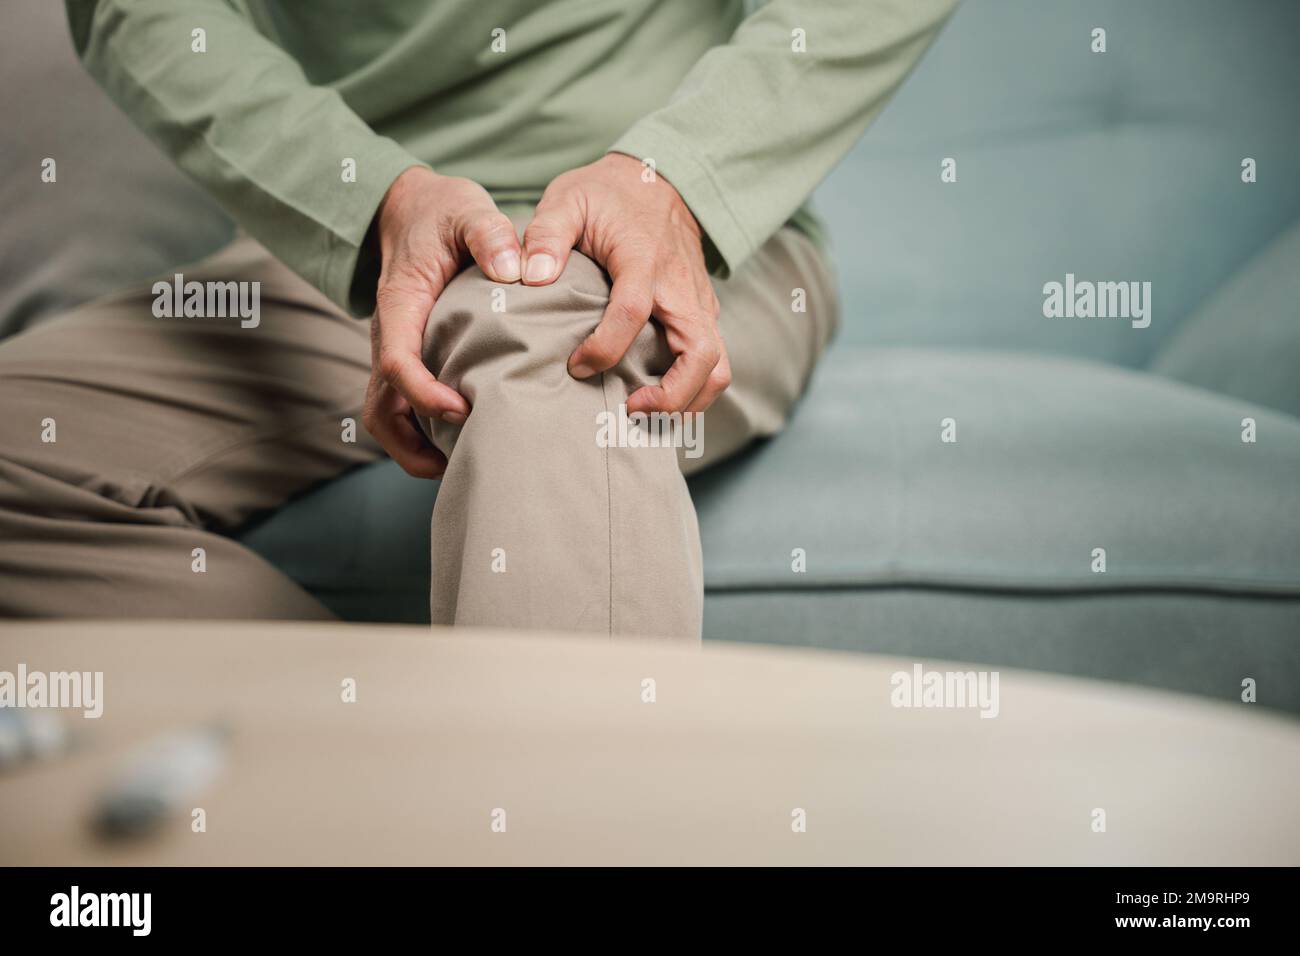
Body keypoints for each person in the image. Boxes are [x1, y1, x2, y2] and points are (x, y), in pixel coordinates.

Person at [0, 0, 956, 638]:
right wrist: (372, 204)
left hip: (671, 242)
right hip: (359, 242)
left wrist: (676, 181)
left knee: (559, 357)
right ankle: (384, 780)